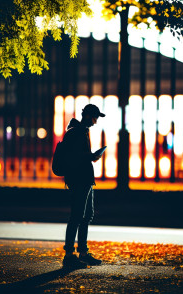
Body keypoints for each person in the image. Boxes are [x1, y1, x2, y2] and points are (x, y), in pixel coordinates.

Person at [62, 104, 106, 269]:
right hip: (79, 179)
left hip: (84, 179)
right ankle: (69, 255)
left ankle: (82, 253)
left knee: (86, 215)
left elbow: (78, 155)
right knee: (77, 216)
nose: (95, 122)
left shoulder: (81, 132)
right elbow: (74, 156)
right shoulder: (76, 132)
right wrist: (91, 156)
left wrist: (91, 157)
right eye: (95, 118)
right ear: (88, 116)